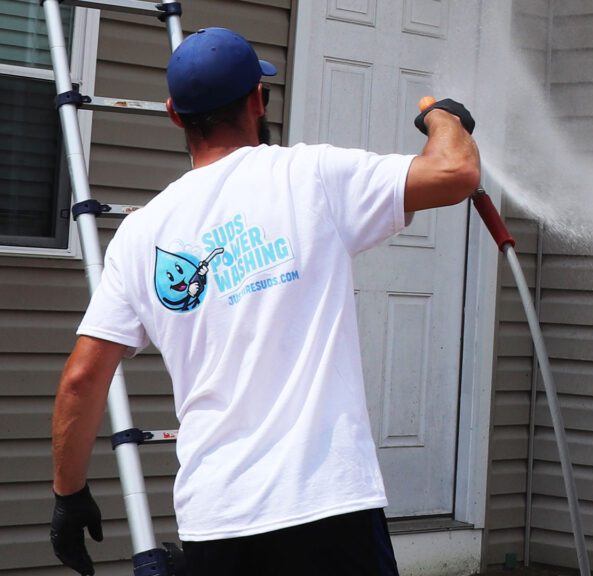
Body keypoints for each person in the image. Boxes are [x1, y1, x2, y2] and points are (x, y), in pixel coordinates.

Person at [49, 27, 480, 576]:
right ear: (257, 100)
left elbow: (82, 379)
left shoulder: (140, 235)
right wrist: (445, 118)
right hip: (328, 508)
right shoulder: (309, 175)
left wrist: (69, 495)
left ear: (174, 114)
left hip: (217, 521)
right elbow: (455, 171)